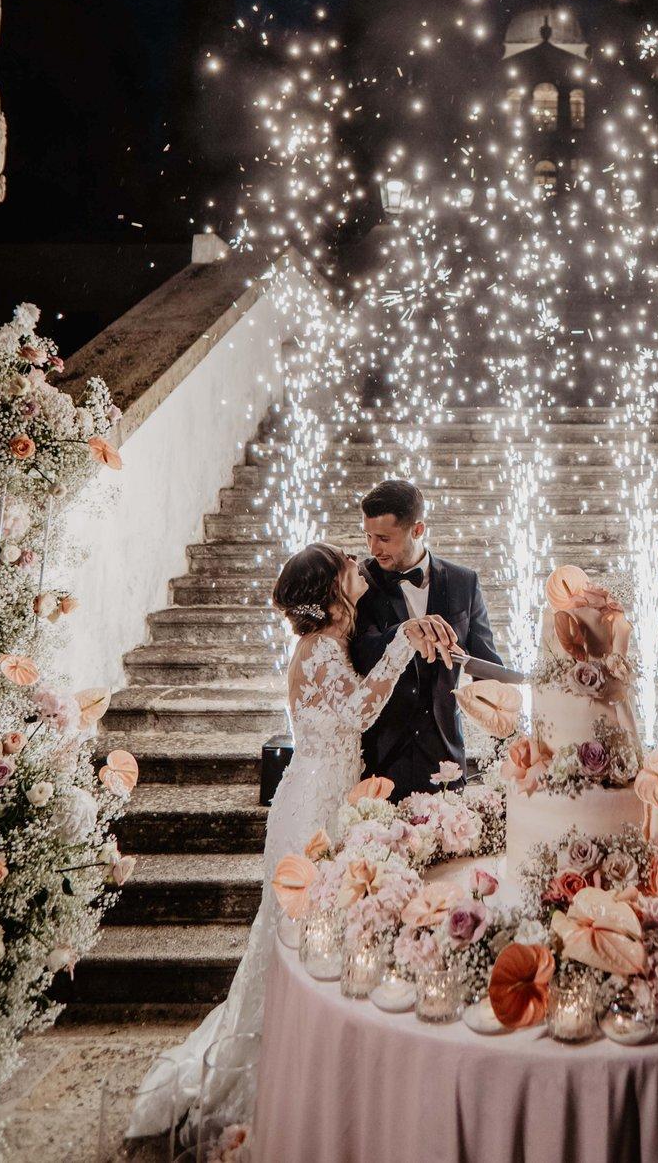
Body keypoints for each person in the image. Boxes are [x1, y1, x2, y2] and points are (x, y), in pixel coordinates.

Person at [130, 542, 458, 1142]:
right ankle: (278, 1071)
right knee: (296, 928)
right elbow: (359, 714)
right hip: (313, 804)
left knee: (307, 931)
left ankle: (307, 1059)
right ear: (331, 591)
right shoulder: (321, 651)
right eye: (346, 569)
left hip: (324, 794)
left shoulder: (325, 645)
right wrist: (401, 646)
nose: (359, 570)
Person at [351, 479, 501, 796]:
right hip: (380, 764)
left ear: (417, 530)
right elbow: (360, 654)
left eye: (383, 538)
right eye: (367, 536)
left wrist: (506, 718)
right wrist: (404, 634)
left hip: (445, 759)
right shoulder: (358, 583)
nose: (372, 548)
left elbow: (485, 664)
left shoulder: (465, 582)